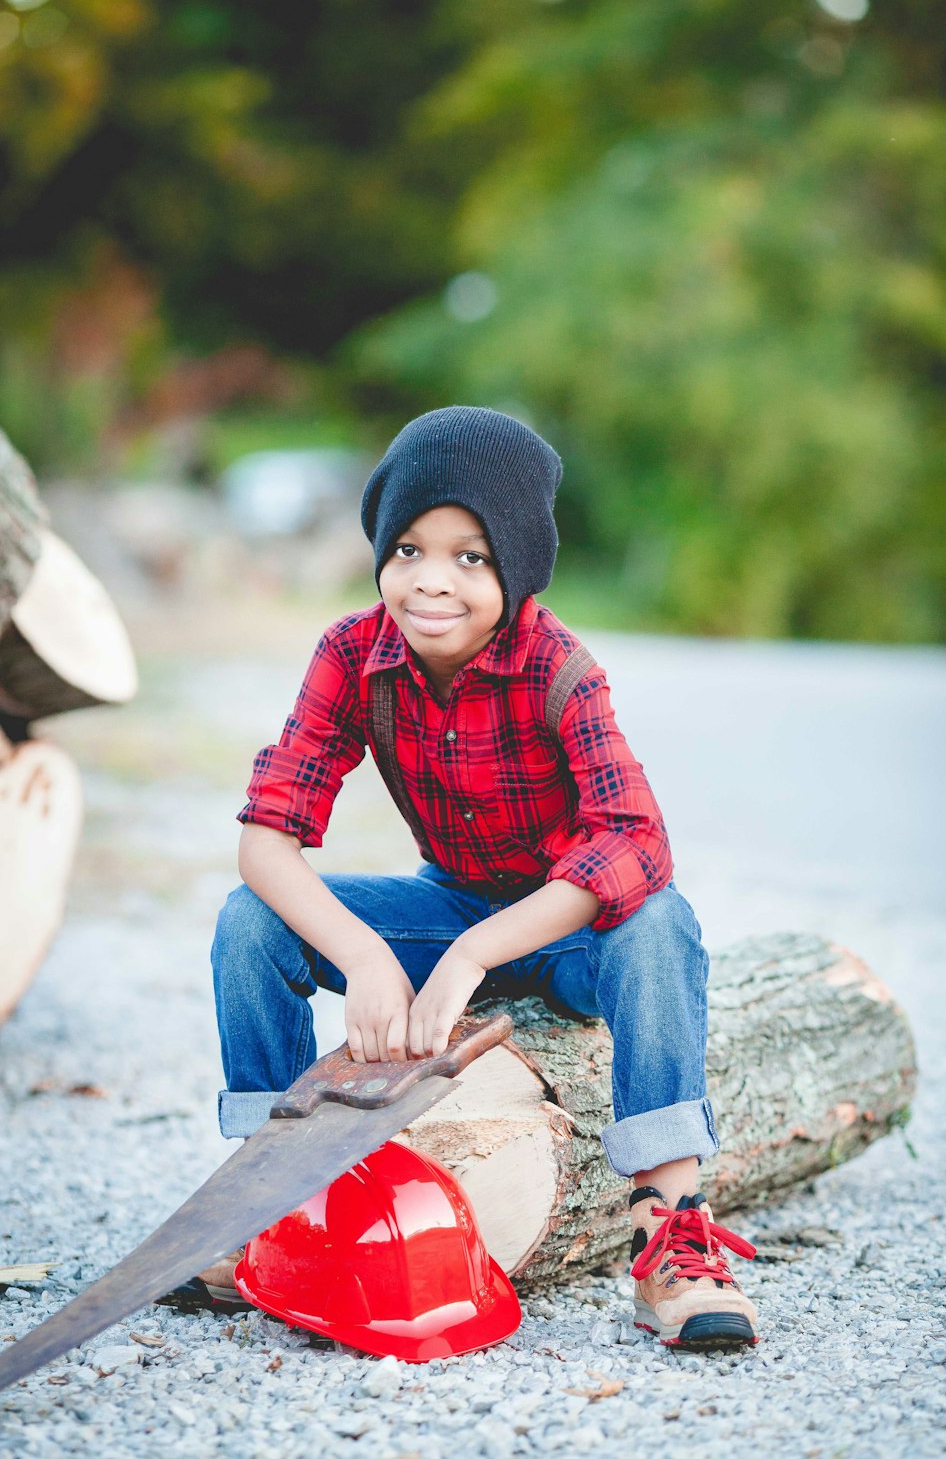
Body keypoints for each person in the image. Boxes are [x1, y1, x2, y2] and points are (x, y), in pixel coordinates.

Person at [198, 406, 758, 1348]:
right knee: (249, 921)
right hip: (451, 899)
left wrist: (469, 956)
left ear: (519, 568)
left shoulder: (557, 667)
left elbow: (633, 841)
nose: (432, 582)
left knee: (661, 922)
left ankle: (669, 1230)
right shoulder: (351, 653)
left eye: (471, 558)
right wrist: (369, 956)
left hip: (572, 926)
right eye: (410, 548)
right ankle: (268, 1199)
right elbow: (266, 840)